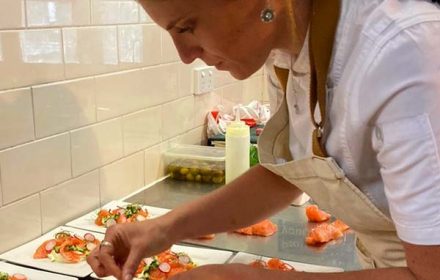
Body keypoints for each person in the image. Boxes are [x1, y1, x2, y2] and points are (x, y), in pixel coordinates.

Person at [87, 0, 440, 279]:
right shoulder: (285, 53)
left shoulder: (402, 51)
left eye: (187, 27)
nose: (185, 55)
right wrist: (161, 229)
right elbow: (286, 173)